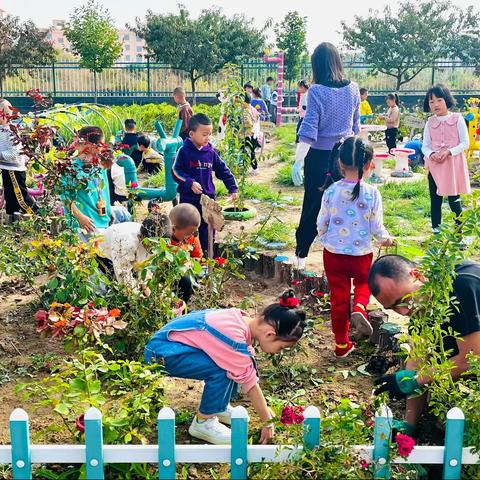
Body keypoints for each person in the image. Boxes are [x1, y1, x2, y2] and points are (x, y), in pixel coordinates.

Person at [144, 289, 306, 444]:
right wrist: (267, 420)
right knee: (223, 369)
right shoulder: (235, 339)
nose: (278, 352)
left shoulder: (241, 319)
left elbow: (245, 364)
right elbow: (249, 382)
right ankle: (203, 423)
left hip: (170, 345)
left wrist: (264, 409)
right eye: (281, 348)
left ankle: (218, 407)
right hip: (162, 353)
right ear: (270, 334)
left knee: (232, 363)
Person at [369, 254, 480, 436]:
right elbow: (418, 361)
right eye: (393, 308)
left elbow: (470, 360)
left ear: (417, 275)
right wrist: (408, 423)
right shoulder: (422, 305)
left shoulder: (463, 286)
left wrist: (416, 380)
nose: (403, 311)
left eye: (402, 300)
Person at [317, 137, 393, 358]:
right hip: (360, 254)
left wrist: (326, 239)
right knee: (363, 283)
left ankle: (341, 345)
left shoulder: (331, 191)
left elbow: (321, 223)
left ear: (340, 164)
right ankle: (360, 306)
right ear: (370, 164)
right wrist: (385, 239)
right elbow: (377, 228)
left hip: (333, 255)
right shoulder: (372, 193)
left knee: (338, 298)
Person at [291, 42, 361, 270]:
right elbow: (356, 127)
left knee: (313, 203)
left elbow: (309, 129)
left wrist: (298, 160)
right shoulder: (353, 89)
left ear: (317, 65)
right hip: (346, 157)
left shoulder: (317, 91)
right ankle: (345, 254)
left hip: (320, 157)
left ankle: (301, 254)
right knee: (345, 203)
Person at [172, 113, 238, 253]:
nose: (208, 137)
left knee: (208, 230)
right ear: (191, 134)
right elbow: (175, 171)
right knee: (188, 230)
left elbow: (222, 170)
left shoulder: (211, 152)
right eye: (204, 134)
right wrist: (190, 183)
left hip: (208, 200)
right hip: (189, 200)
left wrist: (233, 188)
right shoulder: (183, 151)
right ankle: (189, 259)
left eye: (210, 134)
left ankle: (208, 260)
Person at [421, 84, 471, 234]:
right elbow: (425, 145)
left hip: (452, 168)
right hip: (435, 168)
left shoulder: (457, 119)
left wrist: (449, 152)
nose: (435, 104)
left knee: (454, 201)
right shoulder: (430, 122)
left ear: (447, 100)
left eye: (439, 100)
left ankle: (458, 233)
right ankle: (436, 231)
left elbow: (465, 142)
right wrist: (431, 154)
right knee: (435, 201)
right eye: (431, 102)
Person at [60, 126, 114, 242]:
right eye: (100, 145)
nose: (101, 149)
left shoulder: (99, 165)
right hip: (86, 225)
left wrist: (109, 211)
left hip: (103, 220)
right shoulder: (71, 168)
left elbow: (103, 191)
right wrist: (80, 217)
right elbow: (65, 197)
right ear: (91, 146)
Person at [99, 213, 171, 291]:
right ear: (140, 237)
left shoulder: (152, 238)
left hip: (128, 255)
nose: (153, 250)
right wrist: (137, 295)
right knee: (114, 287)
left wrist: (145, 285)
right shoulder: (126, 242)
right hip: (104, 254)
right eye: (151, 246)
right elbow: (123, 276)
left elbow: (145, 266)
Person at [0, 98, 38, 216]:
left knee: (21, 196)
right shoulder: (1, 130)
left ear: (5, 115)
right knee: (10, 197)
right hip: (7, 168)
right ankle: (12, 219)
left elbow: (14, 153)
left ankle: (39, 216)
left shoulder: (12, 131)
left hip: (14, 169)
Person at [241, 93, 261, 171]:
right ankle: (253, 167)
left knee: (247, 151)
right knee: (251, 151)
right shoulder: (253, 109)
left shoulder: (245, 111)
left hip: (248, 134)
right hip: (255, 133)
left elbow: (247, 124)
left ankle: (252, 168)